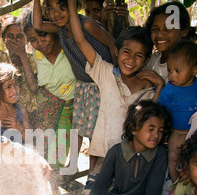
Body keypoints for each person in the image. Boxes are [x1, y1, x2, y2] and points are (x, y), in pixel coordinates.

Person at [69, 0, 165, 163]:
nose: (131, 59)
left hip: (129, 161)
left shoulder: (149, 89)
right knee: (93, 188)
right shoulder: (106, 73)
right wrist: (72, 3)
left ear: (147, 59)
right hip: (101, 156)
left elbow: (152, 118)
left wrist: (161, 86)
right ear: (116, 51)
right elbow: (81, 40)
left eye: (139, 56)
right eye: (126, 52)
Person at [33, 0, 116, 175]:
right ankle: (74, 165)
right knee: (78, 126)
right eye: (51, 9)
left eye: (61, 7)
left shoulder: (87, 24)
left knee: (97, 132)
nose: (56, 14)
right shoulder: (61, 29)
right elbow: (38, 24)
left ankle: (97, 172)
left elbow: (113, 45)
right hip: (84, 86)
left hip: (101, 84)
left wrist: (119, 79)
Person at [77, 100, 172, 195]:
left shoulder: (159, 154)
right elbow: (101, 185)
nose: (156, 135)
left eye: (160, 131)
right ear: (133, 129)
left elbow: (152, 191)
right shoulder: (116, 151)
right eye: (151, 129)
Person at [22, 9, 76, 169]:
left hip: (68, 110)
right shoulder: (35, 58)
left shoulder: (71, 50)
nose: (40, 43)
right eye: (33, 39)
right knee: (39, 155)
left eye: (43, 35)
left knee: (57, 155)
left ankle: (52, 186)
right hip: (43, 113)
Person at [157, 40, 197, 182]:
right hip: (177, 133)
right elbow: (162, 112)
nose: (172, 76)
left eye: (177, 71)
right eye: (169, 70)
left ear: (194, 70)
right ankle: (175, 184)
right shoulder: (168, 90)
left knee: (195, 160)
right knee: (173, 158)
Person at [142, 1, 197, 83]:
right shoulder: (153, 59)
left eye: (168, 28)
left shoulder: (185, 65)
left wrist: (160, 83)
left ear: (184, 31)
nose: (160, 34)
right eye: (155, 29)